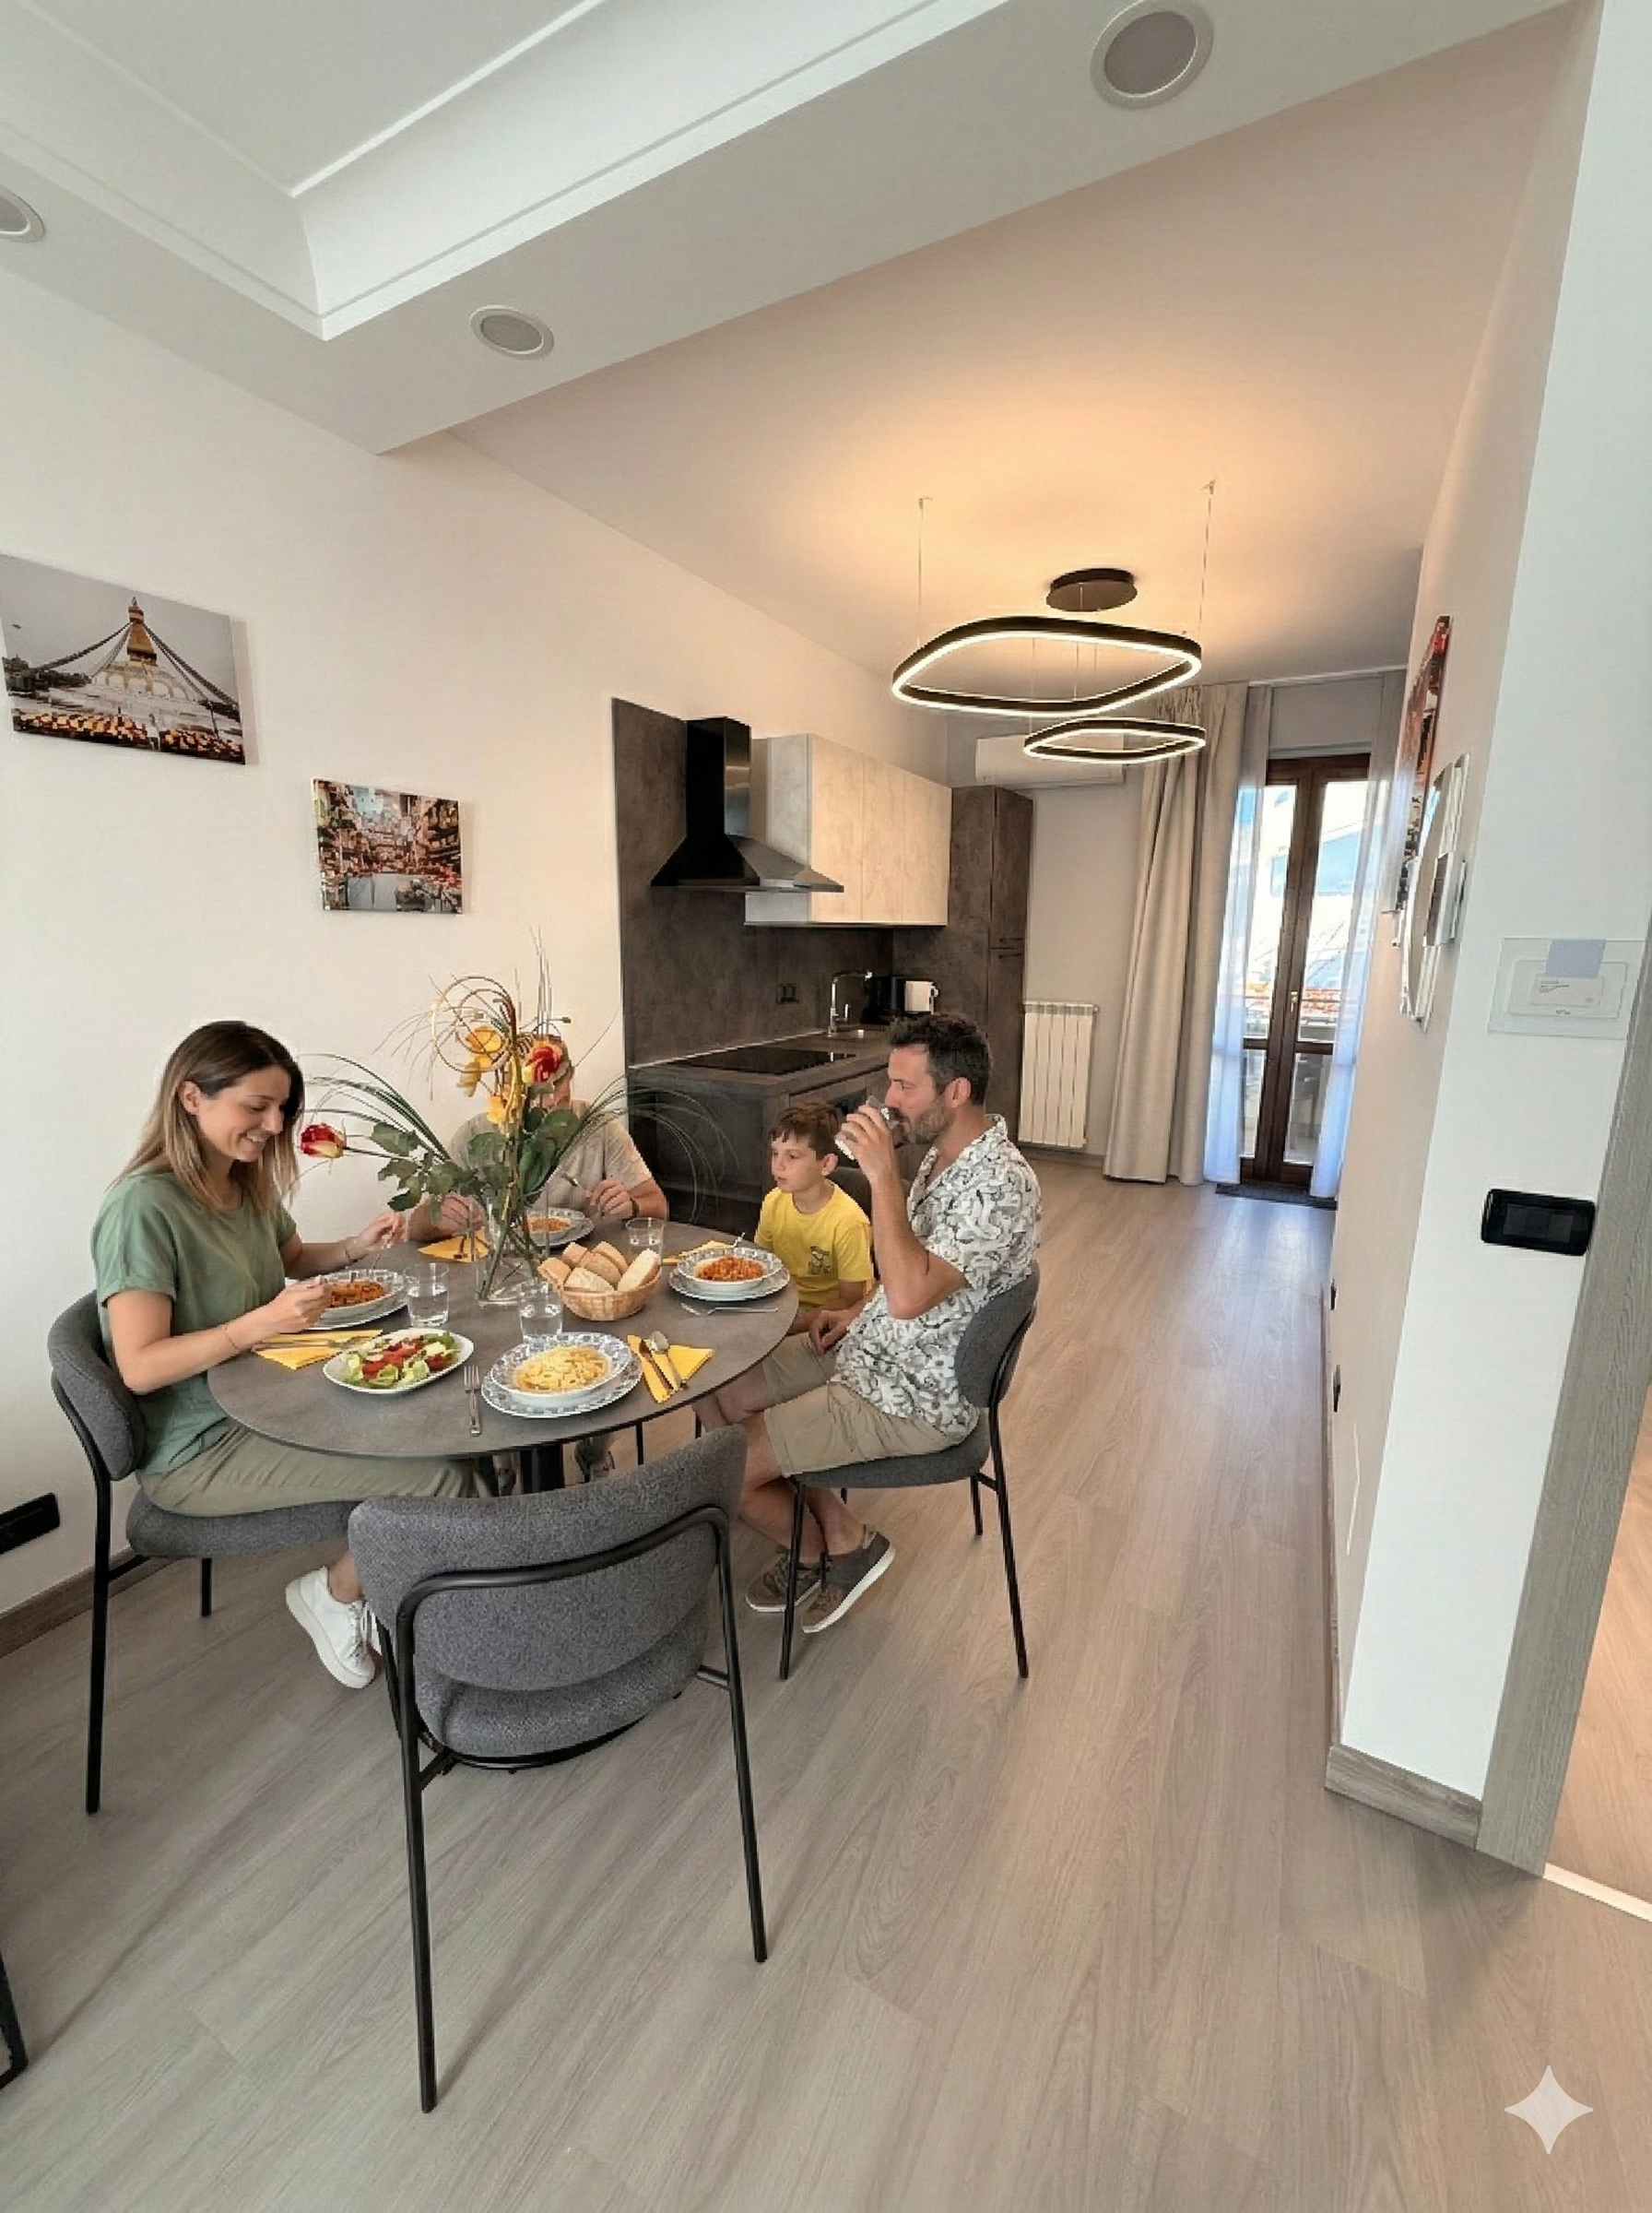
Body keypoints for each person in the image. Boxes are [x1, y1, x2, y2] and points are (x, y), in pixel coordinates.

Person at [93, 1022, 473, 1693]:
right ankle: (337, 1594)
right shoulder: (142, 1208)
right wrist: (256, 1326)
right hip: (199, 1446)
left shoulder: (241, 1182)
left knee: (442, 1424)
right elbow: (140, 1366)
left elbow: (293, 1258)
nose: (274, 1126)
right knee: (440, 1478)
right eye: (257, 1106)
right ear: (191, 1097)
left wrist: (355, 1246)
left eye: (283, 1108)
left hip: (271, 1401)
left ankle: (439, 1604)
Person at [710, 1012, 1040, 1635]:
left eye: (905, 1086)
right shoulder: (944, 1158)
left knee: (724, 1466)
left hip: (915, 1393)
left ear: (956, 1091)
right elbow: (909, 1271)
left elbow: (912, 1296)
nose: (890, 1099)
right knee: (724, 1390)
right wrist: (857, 1309)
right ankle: (839, 1533)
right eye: (891, 1082)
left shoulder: (999, 1185)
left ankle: (819, 1551)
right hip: (877, 1344)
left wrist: (883, 1175)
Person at [753, 1103, 872, 1338]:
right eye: (775, 1153)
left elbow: (851, 1300)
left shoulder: (848, 1221)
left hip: (825, 1321)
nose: (778, 1165)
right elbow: (760, 1264)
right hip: (782, 1307)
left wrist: (789, 1327)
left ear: (826, 1164)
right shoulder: (773, 1201)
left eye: (792, 1156)